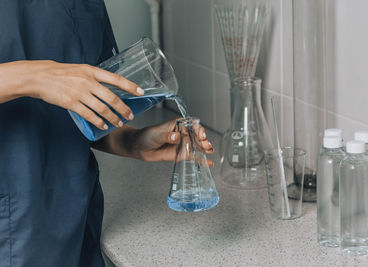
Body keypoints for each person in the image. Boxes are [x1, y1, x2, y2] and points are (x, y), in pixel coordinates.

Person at [0, 1, 213, 266]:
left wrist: (132, 141)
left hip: (79, 222)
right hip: (13, 227)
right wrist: (33, 77)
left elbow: (86, 110)